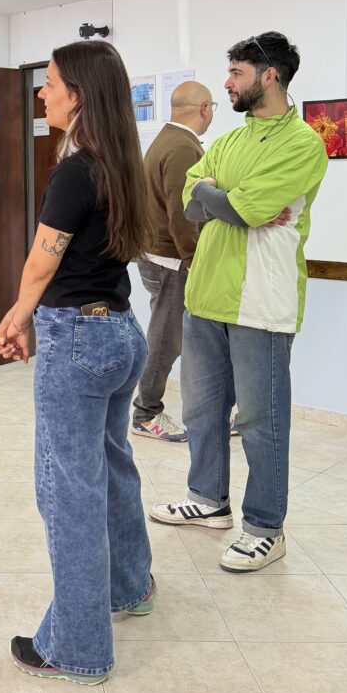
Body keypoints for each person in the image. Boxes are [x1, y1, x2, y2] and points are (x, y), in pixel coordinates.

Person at [0, 40, 154, 686]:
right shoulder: (121, 163)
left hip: (79, 340)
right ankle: (129, 586)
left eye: (51, 82)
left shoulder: (76, 170)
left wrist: (15, 316)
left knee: (68, 491)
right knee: (110, 466)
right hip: (120, 333)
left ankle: (77, 647)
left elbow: (43, 260)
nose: (43, 92)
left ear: (78, 94)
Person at [150, 32, 328, 571]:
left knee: (260, 421)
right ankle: (207, 500)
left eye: (236, 73)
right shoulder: (229, 140)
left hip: (261, 302)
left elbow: (244, 208)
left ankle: (266, 528)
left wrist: (222, 197)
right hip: (206, 295)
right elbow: (192, 197)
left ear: (269, 75)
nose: (226, 83)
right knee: (201, 411)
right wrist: (220, 197)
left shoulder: (303, 143)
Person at [131, 81, 215, 441]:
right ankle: (146, 413)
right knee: (166, 339)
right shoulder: (181, 147)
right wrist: (193, 258)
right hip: (170, 260)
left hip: (159, 255)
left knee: (171, 336)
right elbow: (183, 212)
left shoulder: (168, 140)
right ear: (205, 108)